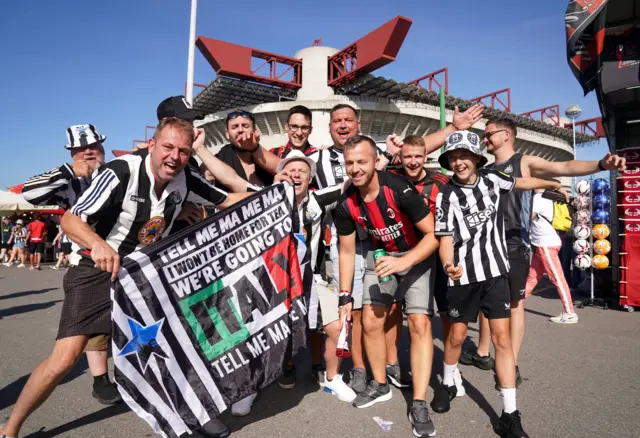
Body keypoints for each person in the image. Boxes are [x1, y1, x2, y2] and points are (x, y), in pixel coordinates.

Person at [0, 119, 247, 438]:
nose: (175, 156)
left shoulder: (186, 177)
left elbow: (228, 199)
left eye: (183, 151)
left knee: (176, 346)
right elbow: (71, 219)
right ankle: (10, 427)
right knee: (65, 359)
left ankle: (194, 416)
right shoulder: (122, 171)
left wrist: (282, 194)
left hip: (143, 274)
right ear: (152, 145)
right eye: (168, 147)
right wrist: (98, 243)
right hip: (95, 270)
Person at [462, 117, 626, 385]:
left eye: (488, 133)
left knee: (515, 305)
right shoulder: (487, 170)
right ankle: (483, 352)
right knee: (486, 301)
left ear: (506, 135)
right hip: (489, 244)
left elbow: (563, 166)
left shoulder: (522, 162)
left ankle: (511, 363)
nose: (485, 138)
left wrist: (599, 165)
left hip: (516, 243)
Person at [431, 130, 570, 438]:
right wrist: (448, 265)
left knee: (502, 341)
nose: (459, 162)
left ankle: (510, 413)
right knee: (455, 338)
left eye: (464, 155)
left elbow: (520, 183)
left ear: (477, 158)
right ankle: (448, 382)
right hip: (463, 277)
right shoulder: (446, 195)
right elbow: (444, 239)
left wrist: (548, 183)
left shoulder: (493, 180)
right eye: (453, 157)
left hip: (496, 273)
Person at [334, 135, 439, 436]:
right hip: (381, 258)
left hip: (417, 256)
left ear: (375, 161)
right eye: (349, 163)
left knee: (419, 323)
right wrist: (344, 295)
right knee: (369, 321)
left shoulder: (398, 188)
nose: (355, 169)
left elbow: (433, 236)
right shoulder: (346, 204)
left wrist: (403, 263)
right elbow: (345, 251)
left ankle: (419, 402)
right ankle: (380, 384)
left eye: (361, 162)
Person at [20, 124, 123, 405]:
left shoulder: (119, 170)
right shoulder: (67, 180)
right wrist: (67, 171)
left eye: (94, 146)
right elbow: (29, 193)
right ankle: (100, 379)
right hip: (89, 261)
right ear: (71, 152)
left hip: (126, 256)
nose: (89, 151)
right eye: (81, 148)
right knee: (86, 329)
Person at [274, 150, 357, 403]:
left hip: (314, 277)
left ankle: (333, 379)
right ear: (281, 175)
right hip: (277, 281)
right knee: (268, 333)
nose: (296, 174)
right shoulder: (267, 200)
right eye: (290, 170)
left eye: (302, 171)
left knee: (336, 328)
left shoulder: (317, 199)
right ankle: (260, 381)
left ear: (310, 178)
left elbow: (350, 182)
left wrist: (386, 153)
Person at [525, 188, 578, 323]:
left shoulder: (538, 198)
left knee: (557, 278)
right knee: (532, 277)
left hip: (546, 243)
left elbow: (528, 218)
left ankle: (570, 313)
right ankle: (513, 305)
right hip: (544, 243)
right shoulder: (549, 198)